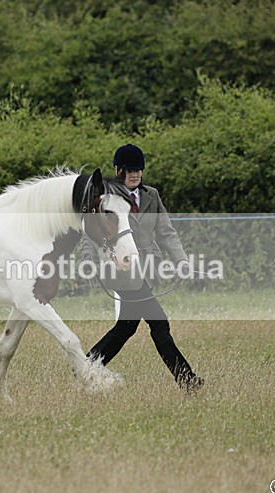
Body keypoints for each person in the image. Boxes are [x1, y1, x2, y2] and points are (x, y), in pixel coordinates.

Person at [81, 144, 204, 393]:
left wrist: (181, 261)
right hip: (124, 272)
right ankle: (187, 380)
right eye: (129, 170)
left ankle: (85, 367)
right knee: (159, 324)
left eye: (138, 169)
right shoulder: (108, 198)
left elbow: (166, 231)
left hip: (149, 270)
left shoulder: (152, 196)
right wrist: (88, 261)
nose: (135, 174)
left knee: (126, 327)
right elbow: (89, 232)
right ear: (118, 171)